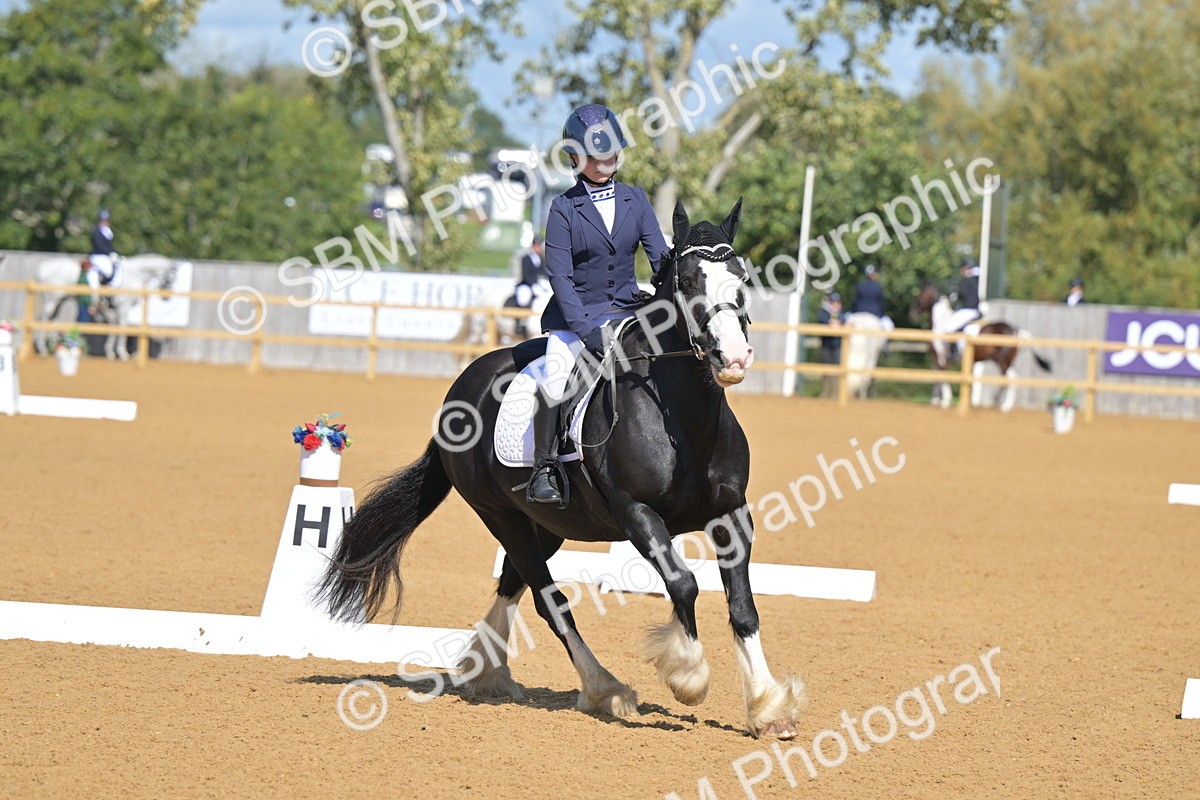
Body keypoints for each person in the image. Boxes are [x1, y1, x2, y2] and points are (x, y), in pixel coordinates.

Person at [526, 103, 669, 505]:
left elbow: (660, 260)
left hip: (627, 313)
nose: (603, 162)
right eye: (593, 155)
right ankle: (544, 469)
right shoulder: (563, 208)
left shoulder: (636, 200)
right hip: (576, 320)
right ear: (575, 158)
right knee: (556, 377)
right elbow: (560, 277)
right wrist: (586, 330)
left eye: (608, 154)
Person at [86, 209, 121, 314]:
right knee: (108, 271)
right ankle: (103, 293)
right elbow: (100, 246)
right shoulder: (96, 232)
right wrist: (110, 253)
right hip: (97, 256)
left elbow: (110, 246)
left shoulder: (108, 232)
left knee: (117, 267)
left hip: (105, 257)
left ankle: (108, 295)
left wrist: (116, 253)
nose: (105, 222)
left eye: (106, 220)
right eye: (103, 220)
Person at [513, 236, 546, 337]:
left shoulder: (540, 259)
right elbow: (526, 275)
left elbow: (544, 272)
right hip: (526, 284)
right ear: (533, 246)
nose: (539, 248)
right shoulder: (525, 258)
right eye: (537, 246)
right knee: (523, 298)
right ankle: (520, 322)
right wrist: (533, 285)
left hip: (536, 284)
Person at [817, 292, 846, 398]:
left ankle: (835, 393)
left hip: (838, 345)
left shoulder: (843, 314)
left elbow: (845, 321)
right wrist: (830, 322)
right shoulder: (824, 313)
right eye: (833, 302)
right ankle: (825, 392)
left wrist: (838, 323)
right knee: (826, 368)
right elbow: (821, 320)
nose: (835, 304)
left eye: (837, 302)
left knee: (837, 369)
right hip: (827, 344)